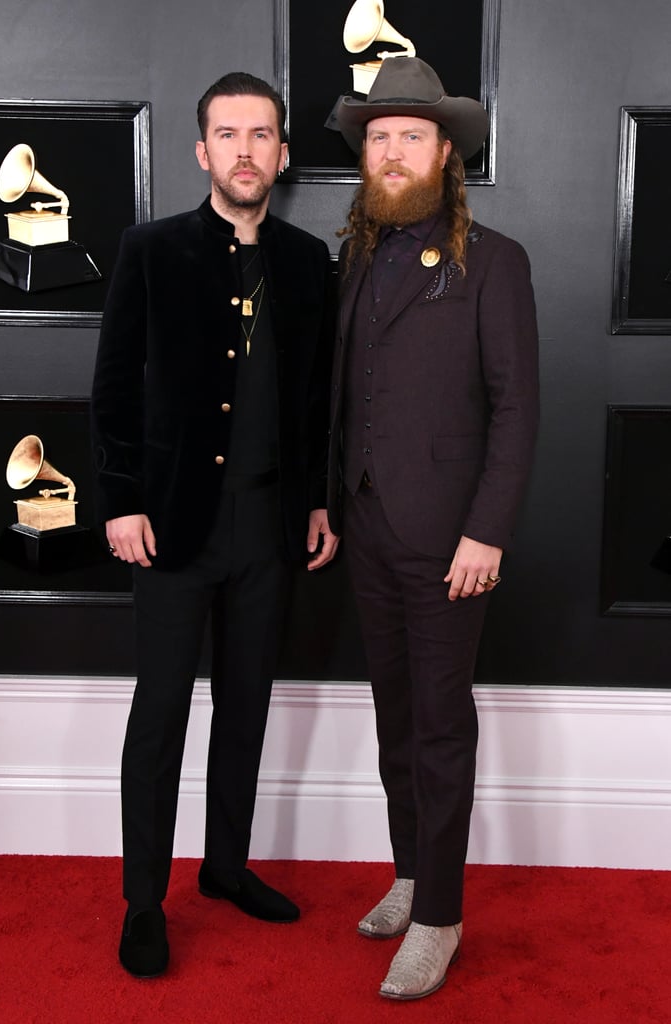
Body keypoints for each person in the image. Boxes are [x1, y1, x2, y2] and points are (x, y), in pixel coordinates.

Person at [90, 71, 339, 979]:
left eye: (260, 134)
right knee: (158, 719)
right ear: (202, 151)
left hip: (269, 527)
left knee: (246, 710)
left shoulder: (310, 262)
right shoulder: (149, 250)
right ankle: (144, 902)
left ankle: (226, 867)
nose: (244, 150)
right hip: (169, 528)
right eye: (227, 134)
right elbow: (114, 386)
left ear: (280, 153)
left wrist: (312, 499)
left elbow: (313, 401)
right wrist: (120, 500)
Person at [328, 56, 539, 1000]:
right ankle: (411, 874)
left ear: (444, 152)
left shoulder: (492, 260)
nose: (393, 150)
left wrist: (486, 531)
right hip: (367, 527)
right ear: (365, 155)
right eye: (379, 137)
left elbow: (515, 408)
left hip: (453, 540)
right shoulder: (355, 254)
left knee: (441, 726)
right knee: (394, 719)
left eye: (411, 134)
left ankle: (441, 917)